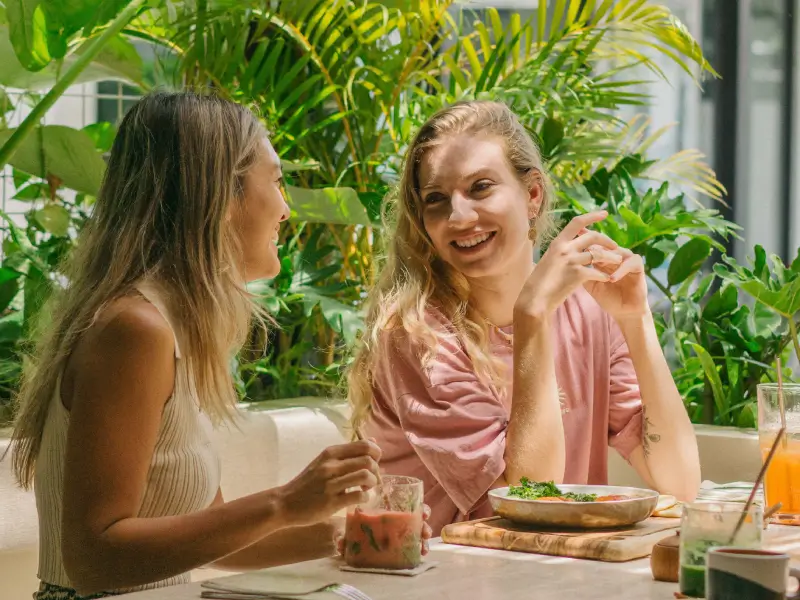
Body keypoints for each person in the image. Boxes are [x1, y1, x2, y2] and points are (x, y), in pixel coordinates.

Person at [6, 91, 429, 600]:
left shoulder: (167, 327)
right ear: (220, 197)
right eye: (275, 181)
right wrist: (285, 502)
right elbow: (94, 558)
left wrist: (353, 535)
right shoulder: (133, 330)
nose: (286, 209)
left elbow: (212, 539)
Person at [347, 100, 701, 536]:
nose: (459, 216)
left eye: (480, 187)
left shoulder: (587, 310)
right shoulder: (417, 333)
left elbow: (680, 481)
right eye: (436, 199)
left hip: (556, 572)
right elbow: (530, 501)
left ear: (532, 194)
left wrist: (636, 320)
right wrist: (533, 315)